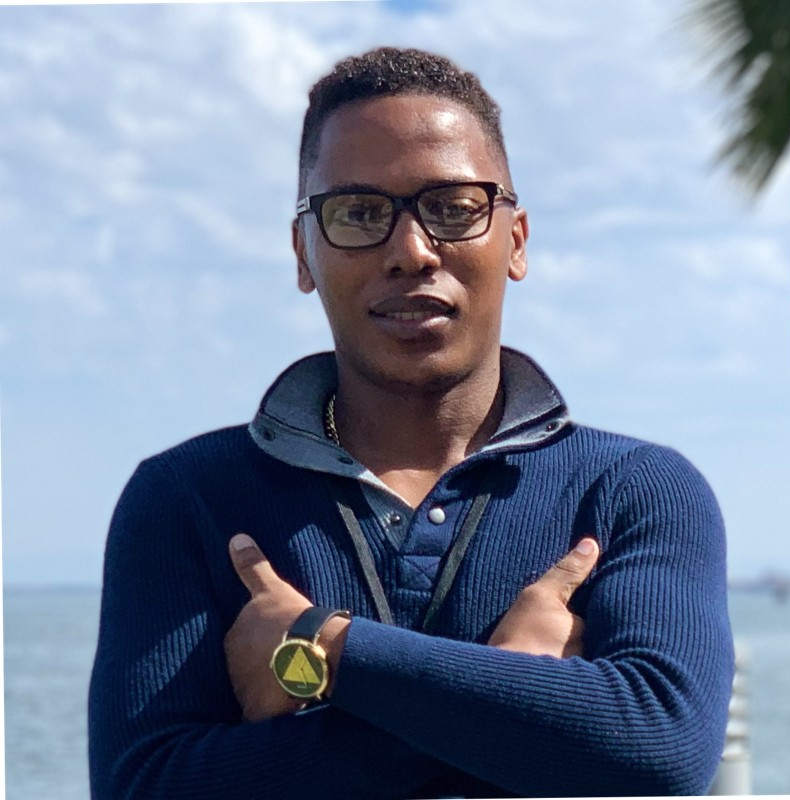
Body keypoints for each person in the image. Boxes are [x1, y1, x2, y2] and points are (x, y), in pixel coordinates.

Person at [88, 47, 734, 799]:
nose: (412, 251)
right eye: (359, 213)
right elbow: (143, 785)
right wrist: (523, 704)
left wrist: (325, 651)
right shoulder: (187, 497)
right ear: (303, 253)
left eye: (454, 207)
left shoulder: (635, 491)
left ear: (516, 240)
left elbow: (660, 745)